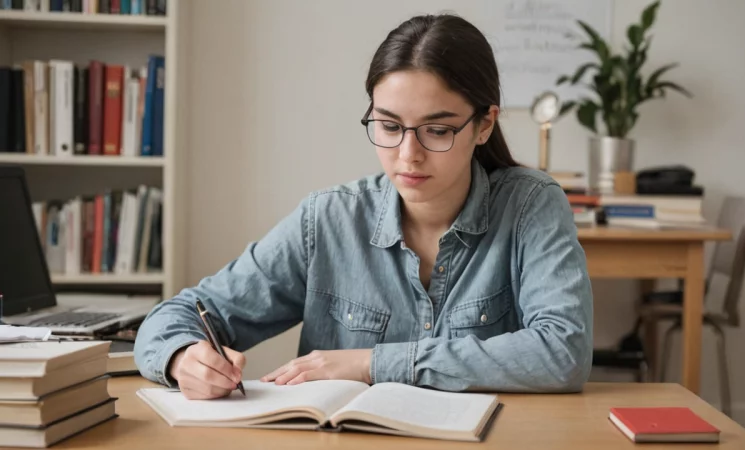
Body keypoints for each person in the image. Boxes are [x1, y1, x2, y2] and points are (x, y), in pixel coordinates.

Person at [134, 13, 593, 400]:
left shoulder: (532, 204)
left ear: (484, 124)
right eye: (389, 126)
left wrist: (373, 363)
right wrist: (180, 358)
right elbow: (181, 314)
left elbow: (563, 352)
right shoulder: (328, 220)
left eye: (437, 130)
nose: (408, 154)